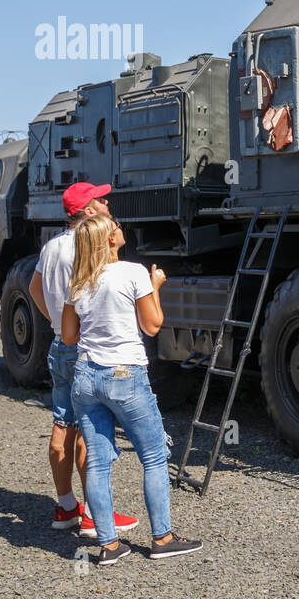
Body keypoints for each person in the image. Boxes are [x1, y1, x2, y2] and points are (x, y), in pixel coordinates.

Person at [62, 215, 201, 565]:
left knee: (98, 461)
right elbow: (153, 326)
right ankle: (162, 538)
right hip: (125, 374)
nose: (121, 227)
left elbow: (68, 336)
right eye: (116, 225)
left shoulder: (78, 281)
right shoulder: (134, 272)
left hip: (86, 376)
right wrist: (156, 285)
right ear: (109, 240)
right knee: (153, 456)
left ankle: (109, 546)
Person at [29, 181, 139, 537]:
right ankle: (95, 514)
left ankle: (65, 507)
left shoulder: (51, 247)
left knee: (63, 424)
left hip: (62, 346)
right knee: (93, 432)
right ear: (88, 211)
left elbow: (34, 289)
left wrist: (58, 324)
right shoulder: (89, 245)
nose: (107, 202)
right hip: (89, 348)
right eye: (100, 199)